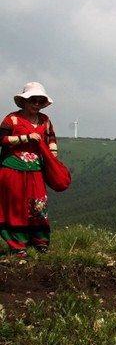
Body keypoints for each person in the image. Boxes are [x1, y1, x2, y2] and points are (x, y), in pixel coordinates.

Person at [0, 82, 58, 257]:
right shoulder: (12, 119)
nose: (37, 104)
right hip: (12, 168)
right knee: (16, 205)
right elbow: (1, 139)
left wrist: (53, 154)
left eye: (40, 101)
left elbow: (51, 138)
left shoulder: (45, 121)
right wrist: (25, 138)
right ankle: (18, 244)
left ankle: (40, 242)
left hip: (36, 169)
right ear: (24, 101)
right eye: (33, 100)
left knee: (39, 206)